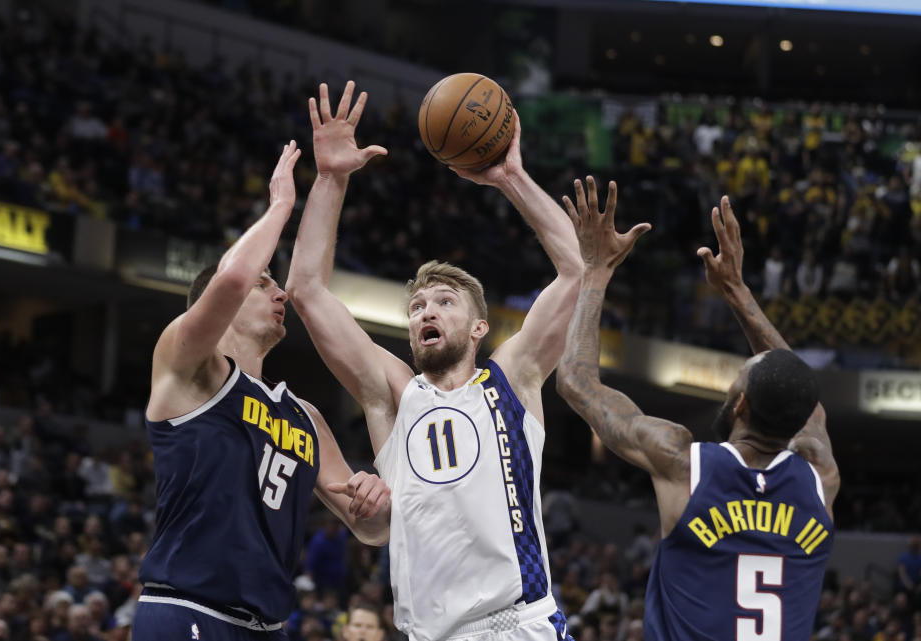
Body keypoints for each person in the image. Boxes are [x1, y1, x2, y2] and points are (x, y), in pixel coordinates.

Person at [286, 81, 581, 641]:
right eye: (418, 304)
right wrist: (330, 178)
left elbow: (576, 270)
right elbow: (305, 290)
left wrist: (510, 177)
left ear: (478, 328)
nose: (428, 309)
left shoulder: (513, 378)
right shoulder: (395, 396)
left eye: (445, 302)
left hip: (517, 625)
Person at [132, 141, 391, 640]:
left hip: (268, 627)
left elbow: (371, 532)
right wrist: (279, 207)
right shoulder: (188, 369)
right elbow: (230, 279)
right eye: (265, 283)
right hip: (187, 609)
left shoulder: (305, 416)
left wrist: (374, 505)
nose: (280, 293)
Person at [556, 185, 840, 641]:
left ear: (741, 404)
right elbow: (806, 399)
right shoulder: (818, 478)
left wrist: (596, 270)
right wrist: (736, 290)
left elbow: (575, 380)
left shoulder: (685, 463)